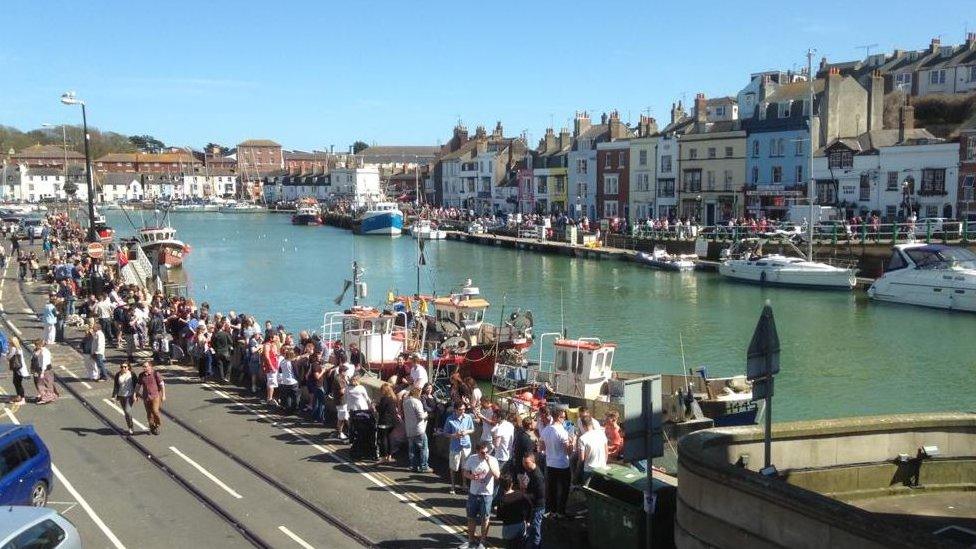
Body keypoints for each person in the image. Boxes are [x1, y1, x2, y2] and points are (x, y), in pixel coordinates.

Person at [462, 441, 500, 549]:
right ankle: (470, 540)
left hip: (486, 494)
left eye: (487, 452)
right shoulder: (472, 458)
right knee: (471, 517)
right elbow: (465, 472)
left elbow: (497, 476)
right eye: (483, 453)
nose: (485, 454)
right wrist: (471, 477)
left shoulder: (492, 460)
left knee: (485, 518)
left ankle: (483, 542)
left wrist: (489, 463)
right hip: (474, 493)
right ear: (477, 451)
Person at [539, 407, 572, 517]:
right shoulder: (562, 432)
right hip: (562, 464)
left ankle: (552, 511)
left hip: (550, 463)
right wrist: (572, 443)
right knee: (564, 489)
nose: (564, 419)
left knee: (552, 488)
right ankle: (561, 511)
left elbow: (542, 448)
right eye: (563, 417)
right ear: (558, 417)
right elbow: (568, 452)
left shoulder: (546, 430)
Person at [443, 400, 474, 495]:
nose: (463, 411)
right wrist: (454, 435)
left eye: (464, 409)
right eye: (460, 409)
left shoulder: (468, 417)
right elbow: (445, 433)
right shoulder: (450, 419)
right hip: (455, 446)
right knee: (454, 467)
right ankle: (452, 485)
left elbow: (472, 429)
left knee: (465, 466)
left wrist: (466, 432)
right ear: (455, 410)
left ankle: (464, 485)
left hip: (466, 445)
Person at [496, 476, 531, 548]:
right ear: (511, 484)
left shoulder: (502, 500)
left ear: (501, 486)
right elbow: (529, 506)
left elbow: (499, 517)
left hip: (509, 530)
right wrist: (528, 520)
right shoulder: (521, 494)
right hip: (521, 526)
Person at [519, 453, 546, 549]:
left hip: (538, 506)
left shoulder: (538, 476)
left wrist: (525, 494)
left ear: (533, 461)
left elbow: (540, 495)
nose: (524, 465)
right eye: (523, 462)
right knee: (532, 527)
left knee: (535, 528)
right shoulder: (528, 471)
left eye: (526, 463)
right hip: (531, 505)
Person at [403, 386, 430, 473]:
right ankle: (424, 466)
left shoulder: (405, 402)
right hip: (419, 429)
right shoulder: (417, 402)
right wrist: (426, 414)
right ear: (417, 393)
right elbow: (420, 416)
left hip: (409, 429)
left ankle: (414, 466)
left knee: (412, 449)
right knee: (423, 448)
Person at [134, 361, 165, 435]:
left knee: (155, 411)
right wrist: (135, 394)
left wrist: (163, 395)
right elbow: (138, 385)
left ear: (150, 366)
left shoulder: (155, 374)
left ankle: (157, 424)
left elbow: (162, 384)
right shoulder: (141, 375)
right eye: (143, 367)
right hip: (146, 397)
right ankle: (152, 427)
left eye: (146, 366)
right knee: (149, 413)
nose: (144, 368)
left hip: (155, 396)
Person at [577, 415, 609, 483]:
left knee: (587, 491)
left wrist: (578, 470)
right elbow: (606, 451)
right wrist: (603, 463)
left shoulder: (582, 438)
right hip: (602, 469)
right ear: (592, 423)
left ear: (583, 425)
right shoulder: (601, 434)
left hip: (589, 470)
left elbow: (581, 459)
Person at [376, 383, 398, 464]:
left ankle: (383, 457)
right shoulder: (393, 398)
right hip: (392, 422)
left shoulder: (384, 399)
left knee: (383, 440)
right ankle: (389, 456)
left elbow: (381, 410)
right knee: (389, 439)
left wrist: (375, 406)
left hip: (384, 421)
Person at [112, 363, 137, 434]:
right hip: (121, 396)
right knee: (126, 413)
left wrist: (136, 395)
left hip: (130, 396)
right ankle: (129, 426)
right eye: (122, 367)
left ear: (128, 367)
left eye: (125, 367)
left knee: (127, 411)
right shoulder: (118, 375)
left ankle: (131, 427)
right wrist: (113, 396)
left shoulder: (132, 374)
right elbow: (116, 386)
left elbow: (136, 385)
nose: (123, 368)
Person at [32, 340, 58, 404]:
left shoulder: (43, 352)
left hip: (44, 369)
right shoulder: (43, 350)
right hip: (46, 369)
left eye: (36, 345)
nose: (35, 346)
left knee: (41, 384)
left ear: (39, 345)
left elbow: (44, 363)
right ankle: (50, 396)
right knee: (48, 383)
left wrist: (42, 372)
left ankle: (46, 398)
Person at [276, 348, 301, 415]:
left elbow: (280, 371)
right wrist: (299, 380)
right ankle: (294, 409)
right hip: (293, 382)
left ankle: (288, 410)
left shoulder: (282, 362)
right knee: (296, 397)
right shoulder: (293, 363)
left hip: (285, 382)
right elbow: (296, 373)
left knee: (287, 397)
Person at [7, 337, 29, 405]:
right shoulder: (19, 348)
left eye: (10, 341)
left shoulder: (14, 348)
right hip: (18, 368)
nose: (8, 342)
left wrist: (7, 354)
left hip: (18, 369)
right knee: (16, 382)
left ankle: (22, 399)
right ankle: (19, 396)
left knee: (18, 383)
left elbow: (9, 357)